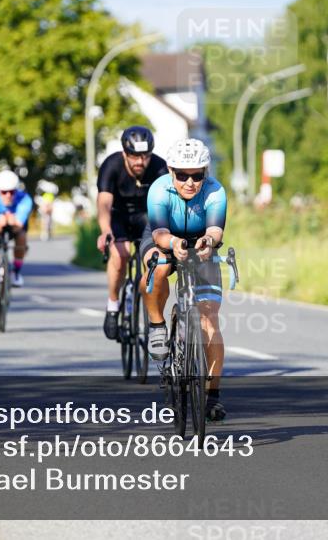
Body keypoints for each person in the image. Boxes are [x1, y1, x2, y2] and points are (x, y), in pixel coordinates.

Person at [140, 138, 228, 421]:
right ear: (170, 170)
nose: (190, 182)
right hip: (162, 236)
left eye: (197, 175)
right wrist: (173, 242)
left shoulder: (215, 191)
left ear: (206, 171)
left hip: (201, 243)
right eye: (182, 175)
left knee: (209, 320)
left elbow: (216, 230)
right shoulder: (158, 189)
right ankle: (156, 324)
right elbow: (159, 233)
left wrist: (206, 242)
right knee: (160, 268)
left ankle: (212, 395)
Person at [95, 126, 168, 340]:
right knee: (121, 255)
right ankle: (113, 304)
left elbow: (166, 202)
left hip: (145, 216)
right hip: (117, 215)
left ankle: (147, 300)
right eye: (134, 156)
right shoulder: (111, 165)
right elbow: (104, 203)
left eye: (144, 156)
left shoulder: (159, 167)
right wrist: (105, 230)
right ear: (124, 154)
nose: (139, 161)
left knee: (155, 259)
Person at [0, 169, 33, 321]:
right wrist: (6, 220)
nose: (8, 195)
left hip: (14, 224)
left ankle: (16, 271)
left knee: (22, 236)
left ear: (16, 191)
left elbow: (18, 226)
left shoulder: (25, 199)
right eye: (4, 192)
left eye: (11, 192)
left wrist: (9, 221)